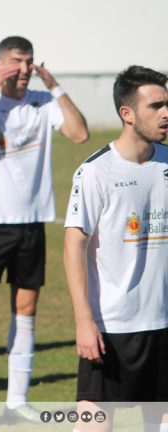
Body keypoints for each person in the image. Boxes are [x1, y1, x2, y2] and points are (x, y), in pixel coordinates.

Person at [0, 35, 89, 420]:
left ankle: (16, 399)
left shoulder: (43, 103)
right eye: (15, 62)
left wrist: (55, 85)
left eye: (28, 62)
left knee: (26, 310)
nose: (24, 70)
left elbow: (79, 134)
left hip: (31, 225)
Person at [64, 65, 168, 428]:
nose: (166, 113)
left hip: (163, 320)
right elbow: (73, 245)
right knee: (96, 420)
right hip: (113, 325)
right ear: (127, 113)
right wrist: (83, 321)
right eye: (156, 106)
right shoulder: (96, 172)